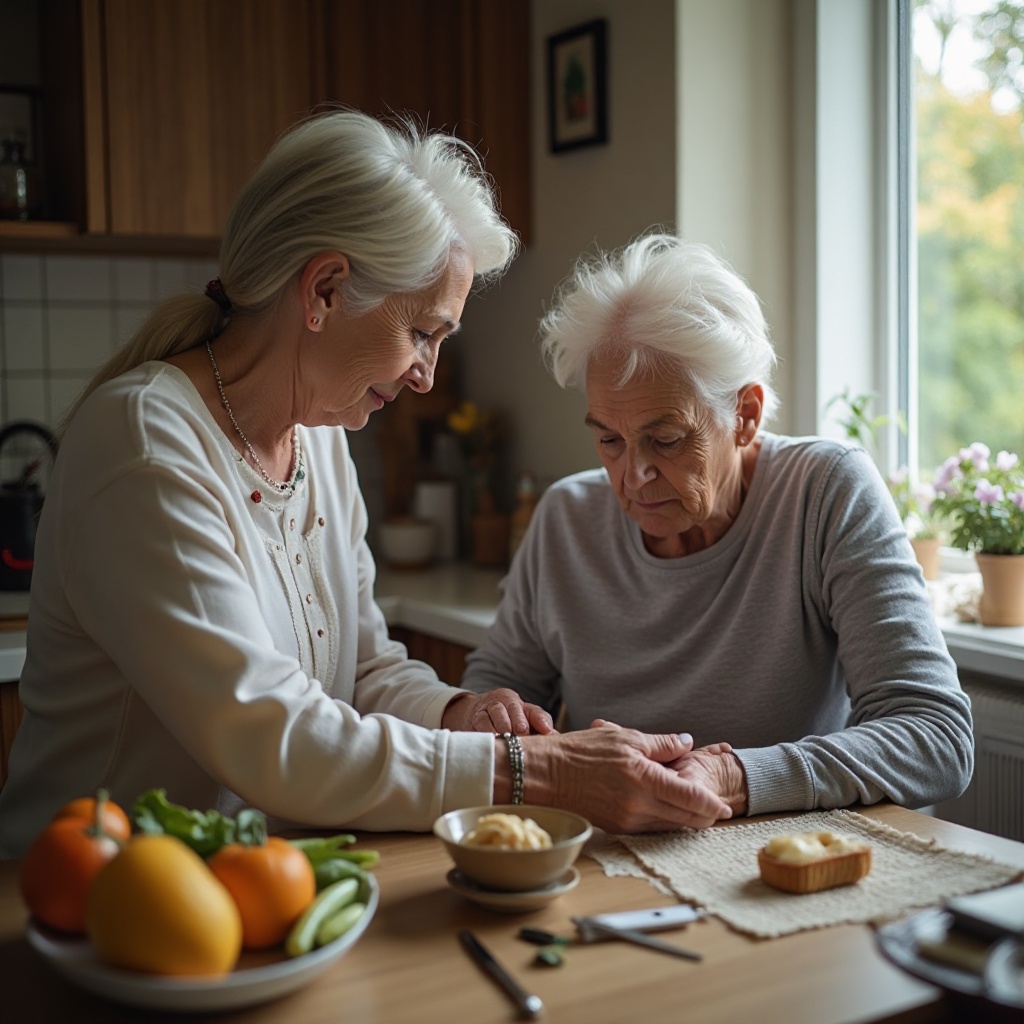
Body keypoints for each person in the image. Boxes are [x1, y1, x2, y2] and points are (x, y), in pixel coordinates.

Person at [0, 117, 733, 858]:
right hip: (88, 897)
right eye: (422, 333)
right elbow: (276, 736)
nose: (427, 376)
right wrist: (538, 771)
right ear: (324, 289)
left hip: (249, 887)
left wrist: (460, 715)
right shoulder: (146, 446)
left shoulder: (318, 437)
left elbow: (360, 669)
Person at [460, 232, 974, 817]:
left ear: (745, 416)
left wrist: (734, 776)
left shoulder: (825, 491)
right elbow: (495, 686)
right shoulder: (565, 518)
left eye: (666, 439)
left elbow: (935, 737)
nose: (633, 476)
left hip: (791, 852)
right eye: (609, 439)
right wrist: (490, 713)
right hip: (613, 849)